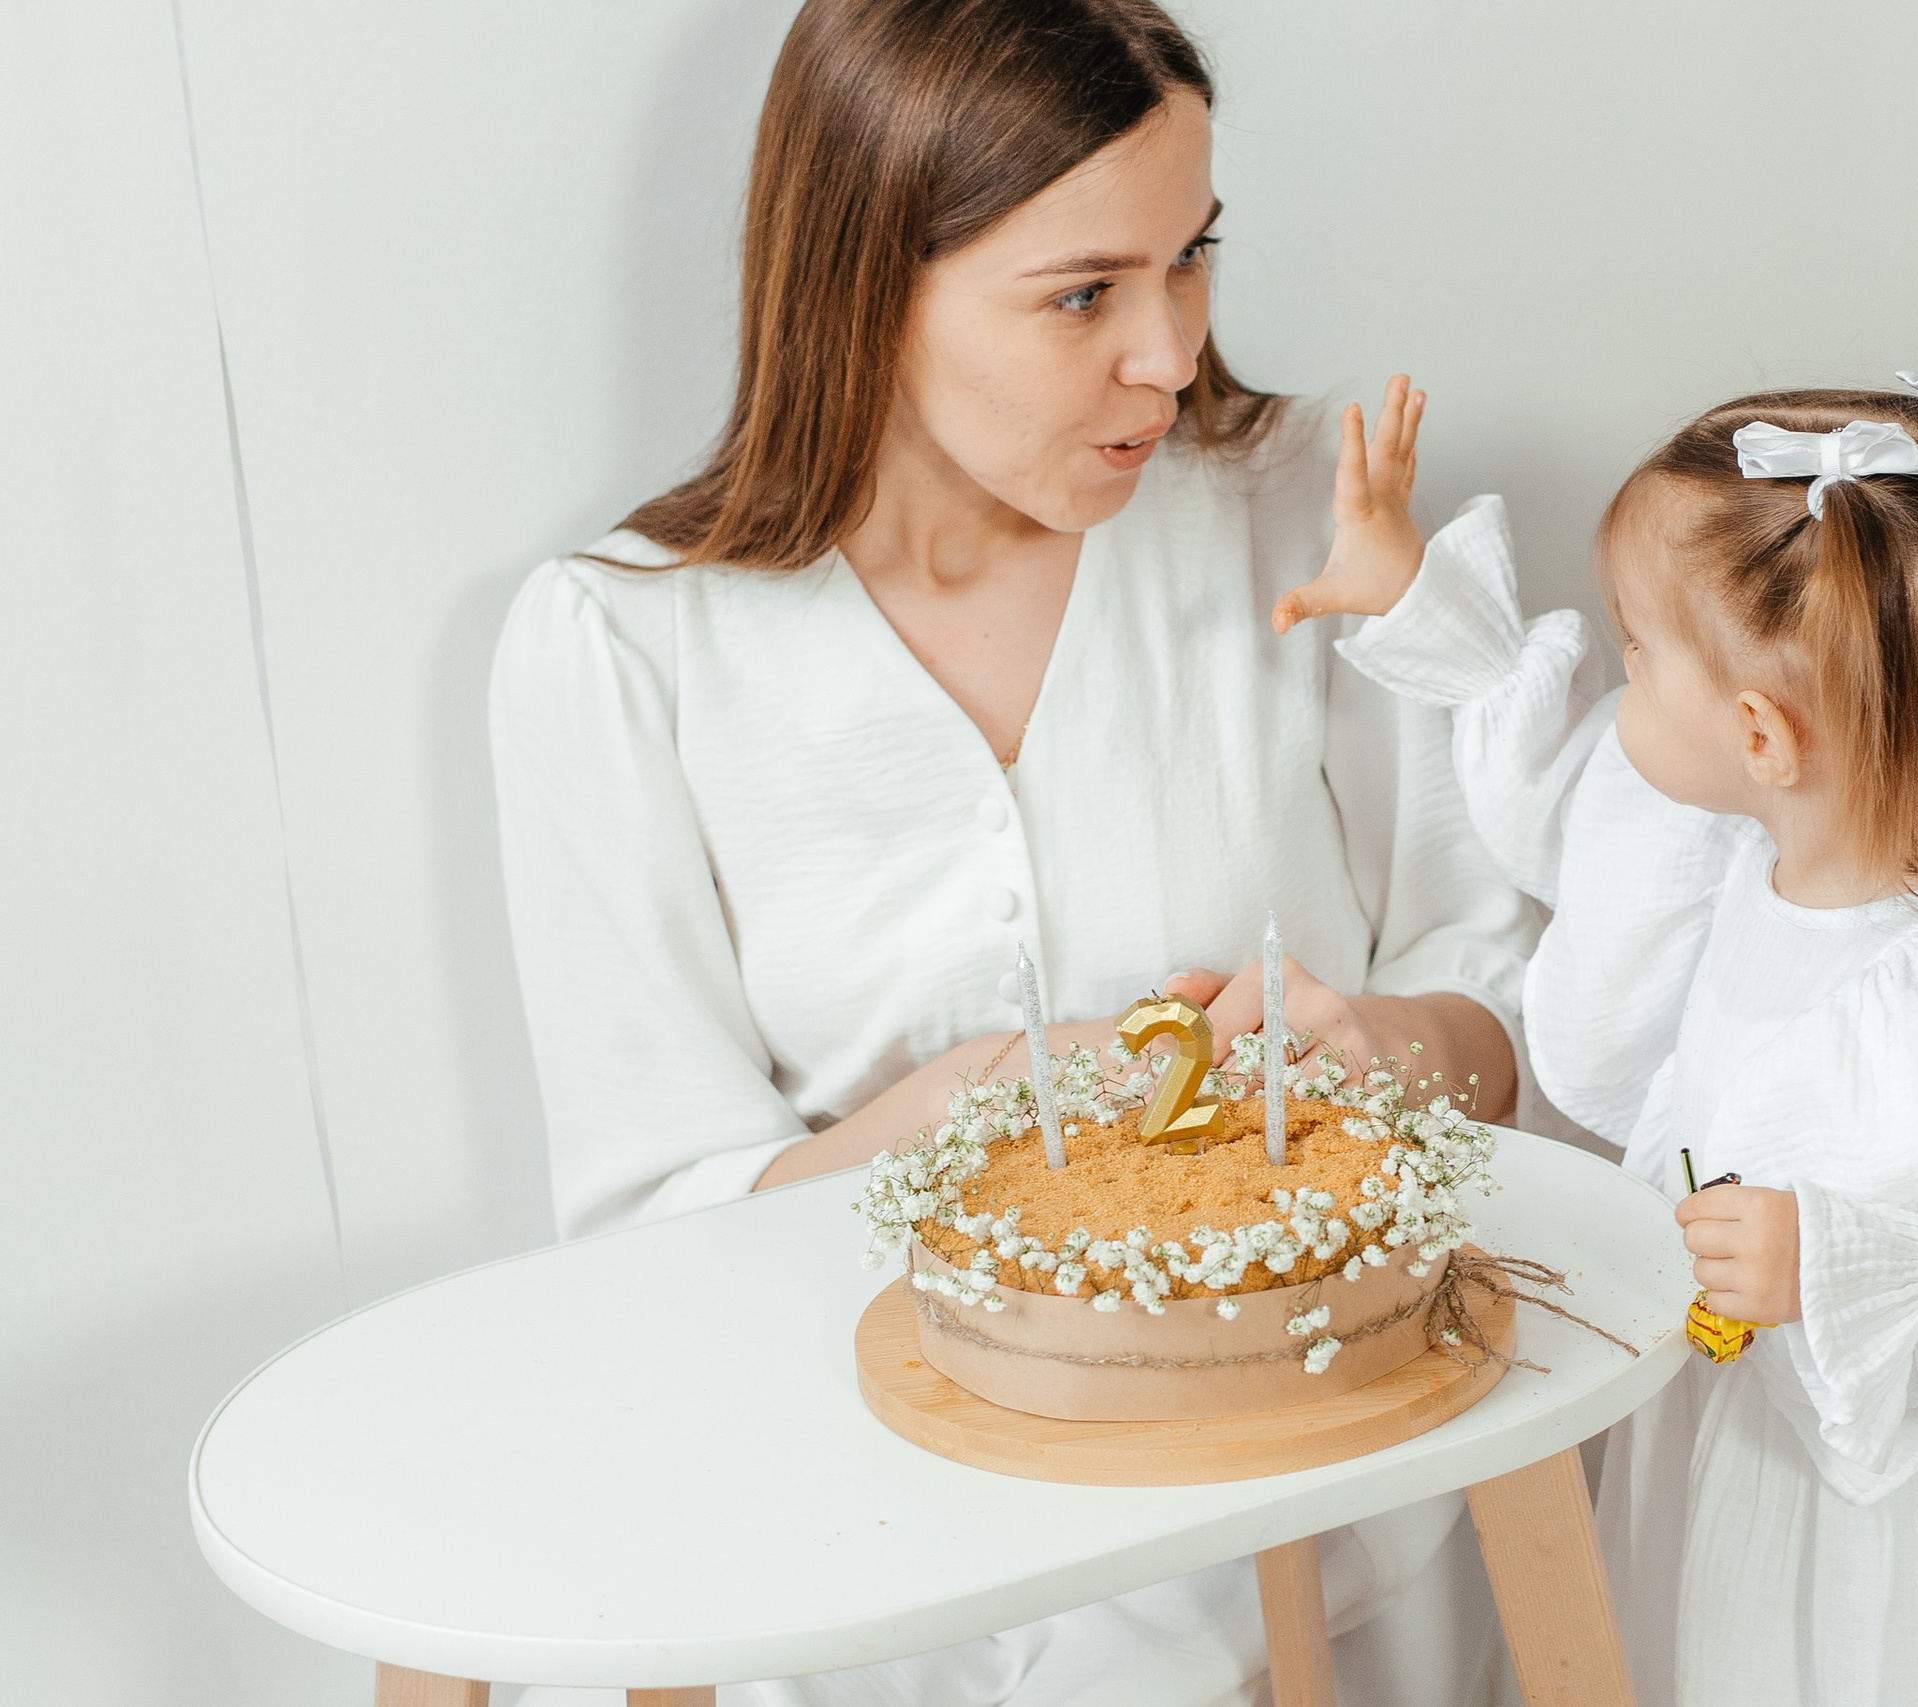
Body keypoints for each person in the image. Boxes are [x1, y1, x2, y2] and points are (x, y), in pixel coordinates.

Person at [487, 3, 1535, 1702]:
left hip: (1325, 1560)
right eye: (1083, 296)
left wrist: (1396, 1048)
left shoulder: (1324, 518)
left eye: (1192, 259)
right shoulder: (621, 649)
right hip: (879, 1586)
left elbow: (1544, 1004)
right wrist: (944, 1121)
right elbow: (644, 1228)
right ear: (864, 282)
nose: (1171, 353)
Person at [1285, 354, 1918, 1702]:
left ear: (1765, 734)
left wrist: (1843, 1265)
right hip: (1739, 1437)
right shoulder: (1734, 849)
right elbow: (1583, 807)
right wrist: (1422, 600)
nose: (1619, 684)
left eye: (1635, 655)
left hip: (1895, 1535)